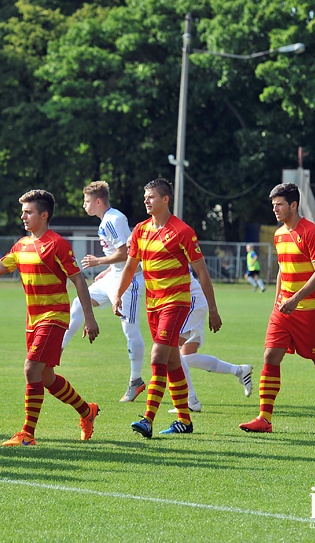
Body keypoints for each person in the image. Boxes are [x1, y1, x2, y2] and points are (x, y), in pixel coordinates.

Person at [0, 189, 100, 447]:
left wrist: (89, 318)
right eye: (22, 211)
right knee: (45, 377)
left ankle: (27, 434)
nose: (23, 216)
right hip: (32, 320)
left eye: (28, 212)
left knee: (30, 368)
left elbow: (78, 279)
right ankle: (87, 411)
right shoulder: (21, 245)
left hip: (54, 317)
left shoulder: (57, 244)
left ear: (43, 215)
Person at [239, 182, 315, 434]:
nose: (275, 209)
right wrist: (279, 300)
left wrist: (296, 299)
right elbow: (282, 270)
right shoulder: (279, 235)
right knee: (270, 356)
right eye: (273, 205)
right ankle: (264, 419)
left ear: (293, 204)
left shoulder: (311, 232)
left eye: (279, 204)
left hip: (311, 311)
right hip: (283, 310)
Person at [112, 178, 221, 438]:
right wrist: (118, 295)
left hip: (176, 303)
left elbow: (202, 272)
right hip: (153, 306)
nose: (146, 201)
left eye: (151, 196)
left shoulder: (182, 231)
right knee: (172, 361)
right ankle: (184, 420)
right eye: (145, 196)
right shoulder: (140, 230)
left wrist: (213, 309)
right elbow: (129, 267)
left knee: (157, 357)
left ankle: (147, 419)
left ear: (165, 199)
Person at [60, 181, 146, 402]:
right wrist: (108, 269)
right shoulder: (105, 220)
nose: (83, 205)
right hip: (114, 276)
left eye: (87, 201)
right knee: (80, 303)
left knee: (130, 329)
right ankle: (55, 354)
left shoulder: (114, 219)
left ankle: (136, 381)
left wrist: (99, 261)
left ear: (98, 202)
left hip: (130, 280)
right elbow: (119, 252)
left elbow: (128, 253)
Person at [178, 273, 252, 405]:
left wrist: (213, 310)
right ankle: (238, 370)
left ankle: (190, 401)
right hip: (185, 301)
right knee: (187, 356)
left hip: (190, 301)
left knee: (168, 351)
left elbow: (202, 270)